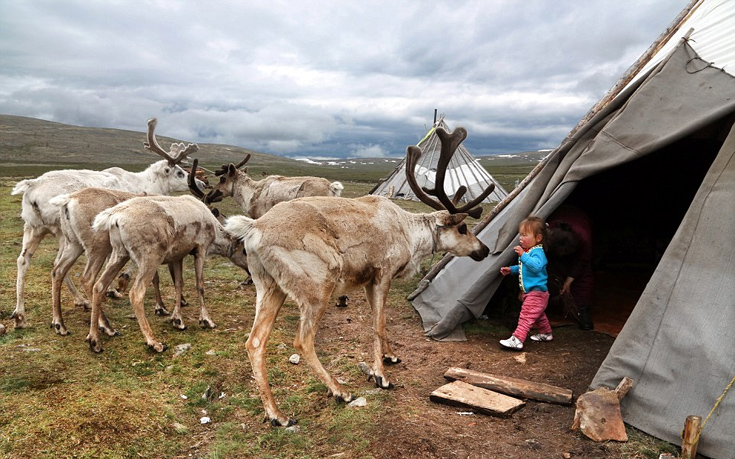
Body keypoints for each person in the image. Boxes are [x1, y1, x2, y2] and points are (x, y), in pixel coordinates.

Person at [499, 216, 552, 350]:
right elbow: (524, 268)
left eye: (525, 235)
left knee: (526, 316)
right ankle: (546, 333)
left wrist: (523, 255)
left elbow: (536, 267)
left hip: (537, 293)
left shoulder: (537, 253)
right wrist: (511, 270)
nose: (521, 238)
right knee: (538, 315)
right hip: (533, 293)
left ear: (538, 238)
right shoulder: (530, 252)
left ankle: (517, 339)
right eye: (520, 235)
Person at [546, 205, 594, 330]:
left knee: (583, 280)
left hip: (577, 252)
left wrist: (570, 280)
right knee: (550, 274)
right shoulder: (547, 232)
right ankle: (545, 305)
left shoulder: (584, 237)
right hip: (552, 253)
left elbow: (583, 260)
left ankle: (582, 311)